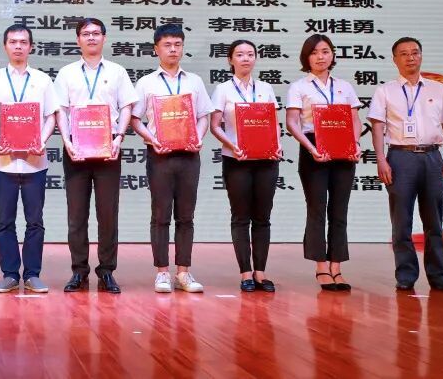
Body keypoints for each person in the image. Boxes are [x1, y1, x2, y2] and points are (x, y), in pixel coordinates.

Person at [368, 37, 443, 293]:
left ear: (421, 56)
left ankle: (438, 276)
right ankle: (406, 275)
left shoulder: (439, 89)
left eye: (415, 52)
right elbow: (377, 128)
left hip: (432, 157)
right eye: (404, 53)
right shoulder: (385, 91)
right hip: (400, 158)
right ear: (395, 59)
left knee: (434, 222)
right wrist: (381, 159)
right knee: (401, 222)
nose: (410, 57)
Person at [54, 18, 137, 293]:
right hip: (76, 150)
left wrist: (119, 137)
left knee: (107, 213)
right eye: (86, 34)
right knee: (76, 215)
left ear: (104, 38)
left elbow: (126, 106)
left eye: (96, 33)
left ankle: (107, 271)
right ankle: (79, 271)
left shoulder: (117, 71)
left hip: (108, 150)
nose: (91, 38)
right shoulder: (66, 73)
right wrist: (66, 140)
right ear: (78, 39)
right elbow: (61, 110)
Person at [131, 23, 214, 293]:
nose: (173, 49)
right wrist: (152, 138)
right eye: (167, 45)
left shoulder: (194, 81)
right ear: (156, 49)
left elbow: (204, 115)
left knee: (186, 216)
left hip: (189, 156)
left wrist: (198, 136)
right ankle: (162, 273)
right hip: (160, 156)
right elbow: (135, 119)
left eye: (178, 44)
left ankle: (184, 272)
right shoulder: (146, 82)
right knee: (160, 215)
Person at [0, 25, 59, 293]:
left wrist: (41, 141)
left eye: (23, 42)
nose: (18, 46)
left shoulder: (43, 79)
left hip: (35, 163)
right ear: (5, 46)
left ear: (31, 47)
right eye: (13, 41)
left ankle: (33, 274)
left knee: (35, 221)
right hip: (3, 163)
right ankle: (10, 274)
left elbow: (51, 116)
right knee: (5, 221)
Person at [286, 34, 363, 291]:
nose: (321, 57)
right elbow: (292, 122)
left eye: (325, 51)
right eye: (314, 52)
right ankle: (321, 265)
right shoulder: (299, 87)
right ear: (306, 57)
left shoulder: (344, 86)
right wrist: (311, 148)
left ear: (332, 55)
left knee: (340, 209)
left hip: (344, 149)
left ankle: (336, 266)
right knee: (317, 208)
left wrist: (355, 144)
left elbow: (355, 120)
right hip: (313, 147)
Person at [209, 39, 281, 292]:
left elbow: (273, 123)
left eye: (250, 54)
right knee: (241, 217)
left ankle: (261, 272)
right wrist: (232, 145)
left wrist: (276, 145)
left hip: (266, 161)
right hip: (236, 160)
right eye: (240, 54)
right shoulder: (223, 90)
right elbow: (215, 126)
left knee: (263, 218)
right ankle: (245, 273)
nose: (246, 58)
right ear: (230, 59)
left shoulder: (265, 88)